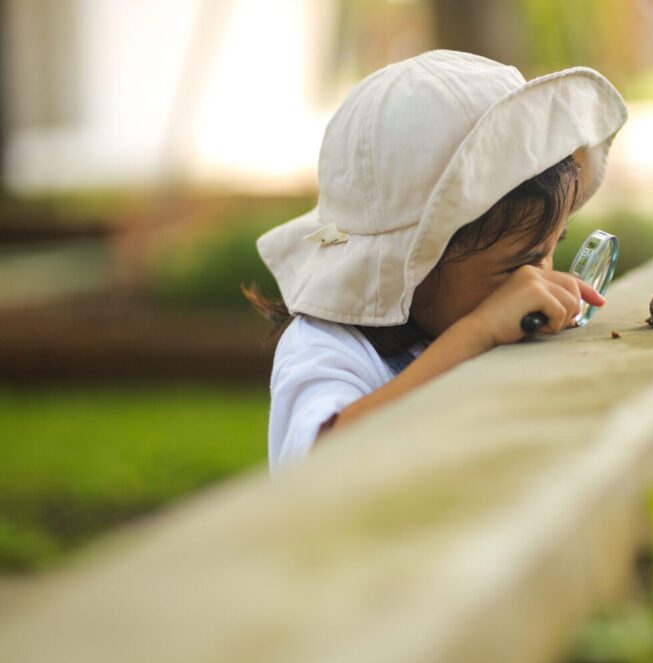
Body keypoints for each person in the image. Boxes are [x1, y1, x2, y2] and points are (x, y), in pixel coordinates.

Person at [243, 49, 628, 473]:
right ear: (409, 269)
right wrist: (475, 334)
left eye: (549, 251)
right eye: (516, 267)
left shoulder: (461, 318)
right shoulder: (326, 347)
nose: (534, 284)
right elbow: (323, 461)